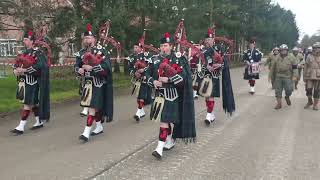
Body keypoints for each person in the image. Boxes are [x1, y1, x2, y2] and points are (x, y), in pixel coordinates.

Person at [146, 32, 196, 159]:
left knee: (166, 121)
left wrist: (169, 80)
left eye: (166, 45)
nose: (163, 48)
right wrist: (154, 82)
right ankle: (167, 141)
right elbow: (146, 76)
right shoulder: (154, 59)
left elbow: (184, 78)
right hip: (158, 96)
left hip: (173, 96)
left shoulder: (179, 58)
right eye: (162, 45)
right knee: (164, 121)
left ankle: (160, 147)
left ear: (171, 46)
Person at [75, 24, 113, 142]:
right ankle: (99, 126)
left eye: (89, 38)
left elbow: (107, 67)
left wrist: (93, 68)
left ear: (94, 39)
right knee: (94, 107)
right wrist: (79, 70)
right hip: (86, 83)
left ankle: (86, 131)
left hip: (98, 83)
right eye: (85, 38)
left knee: (92, 106)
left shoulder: (101, 50)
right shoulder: (80, 52)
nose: (87, 40)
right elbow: (76, 66)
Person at [11, 29, 50, 135]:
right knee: (33, 103)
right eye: (24, 39)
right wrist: (15, 70)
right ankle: (38, 121)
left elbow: (41, 66)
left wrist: (25, 70)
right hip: (23, 82)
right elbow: (15, 64)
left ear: (32, 41)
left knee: (27, 103)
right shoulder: (23, 53)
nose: (24, 41)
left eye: (27, 39)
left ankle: (21, 126)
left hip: (33, 82)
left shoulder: (38, 53)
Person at [127, 34, 153, 122]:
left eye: (136, 47)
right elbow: (129, 67)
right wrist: (134, 72)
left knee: (141, 95)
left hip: (144, 78)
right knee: (138, 96)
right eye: (134, 47)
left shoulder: (147, 55)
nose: (135, 49)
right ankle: (141, 111)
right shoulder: (132, 57)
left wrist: (143, 70)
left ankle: (138, 112)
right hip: (136, 79)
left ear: (141, 48)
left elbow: (150, 66)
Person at [270, 44, 298, 109]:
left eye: (284, 50)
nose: (283, 51)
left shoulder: (291, 57)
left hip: (287, 76)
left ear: (287, 50)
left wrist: (295, 76)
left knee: (289, 90)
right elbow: (273, 68)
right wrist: (271, 76)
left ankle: (287, 96)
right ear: (280, 51)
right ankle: (279, 104)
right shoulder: (276, 57)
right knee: (278, 91)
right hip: (278, 76)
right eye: (282, 50)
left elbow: (295, 68)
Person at [303, 42, 320, 110]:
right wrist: (304, 77)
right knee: (308, 90)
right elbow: (305, 67)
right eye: (316, 48)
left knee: (316, 91)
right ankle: (309, 101)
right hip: (309, 76)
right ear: (313, 49)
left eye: (318, 48)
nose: (317, 49)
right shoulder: (309, 56)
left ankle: (315, 105)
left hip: (318, 77)